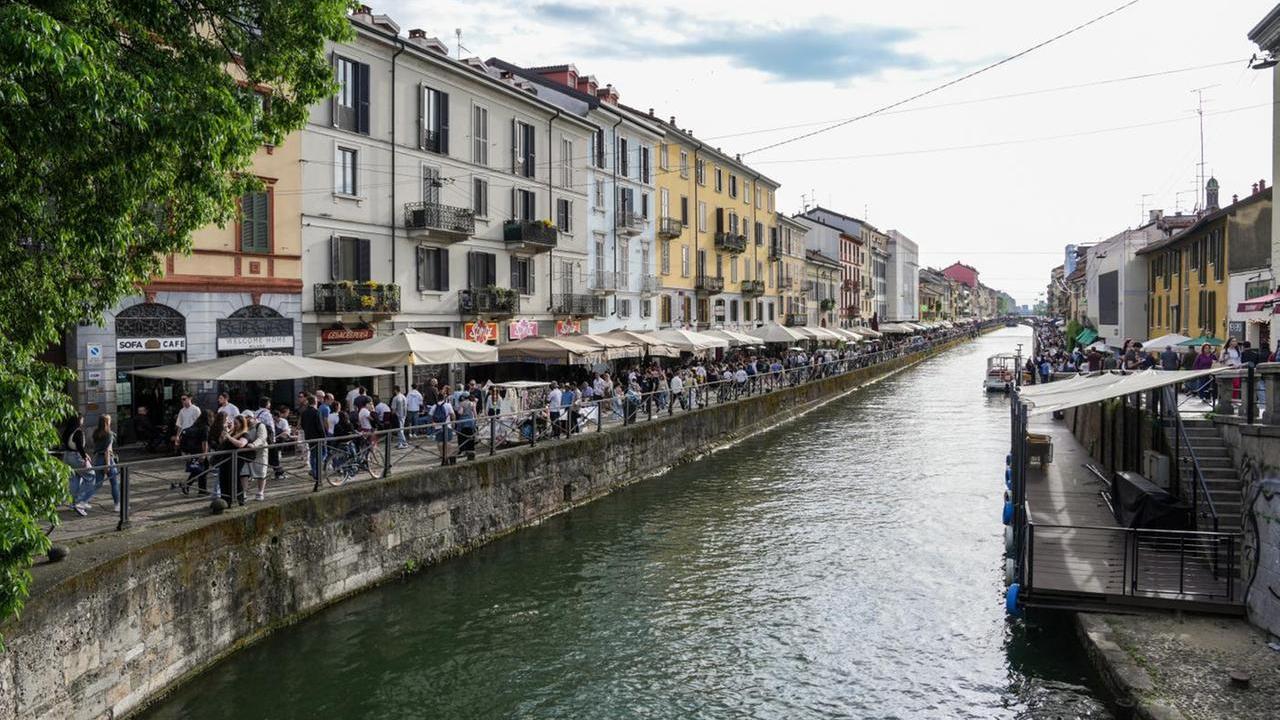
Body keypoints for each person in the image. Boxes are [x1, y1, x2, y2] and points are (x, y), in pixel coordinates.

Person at [74, 415, 119, 513]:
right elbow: (107, 451)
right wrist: (107, 465)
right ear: (107, 422)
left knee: (97, 484)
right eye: (110, 420)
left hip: (98, 458)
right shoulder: (109, 434)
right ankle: (117, 505)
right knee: (114, 483)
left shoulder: (96, 433)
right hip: (108, 459)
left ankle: (82, 501)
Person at [61, 415, 93, 516]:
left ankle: (72, 503)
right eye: (82, 418)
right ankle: (80, 502)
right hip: (75, 456)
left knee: (74, 479)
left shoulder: (67, 431)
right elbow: (79, 446)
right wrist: (85, 457)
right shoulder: (78, 431)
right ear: (78, 420)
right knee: (91, 476)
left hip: (66, 456)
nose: (83, 420)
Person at [242, 410, 270, 501]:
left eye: (246, 418)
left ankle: (260, 492)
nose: (245, 420)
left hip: (260, 452)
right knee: (244, 472)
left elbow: (262, 438)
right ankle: (243, 493)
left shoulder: (260, 425)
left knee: (261, 472)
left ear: (251, 417)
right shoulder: (244, 427)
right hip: (246, 452)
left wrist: (254, 444)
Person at [300, 396, 326, 482]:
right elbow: (320, 426)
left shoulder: (304, 412)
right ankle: (317, 472)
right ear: (315, 402)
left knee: (312, 454)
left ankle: (314, 471)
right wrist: (324, 437)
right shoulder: (316, 412)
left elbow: (302, 424)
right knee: (322, 453)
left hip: (309, 436)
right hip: (317, 437)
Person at [456, 392, 477, 459]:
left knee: (462, 437)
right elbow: (475, 413)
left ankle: (462, 450)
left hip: (463, 422)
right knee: (470, 436)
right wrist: (475, 420)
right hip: (470, 422)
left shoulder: (461, 403)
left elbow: (460, 412)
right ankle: (471, 450)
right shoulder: (472, 403)